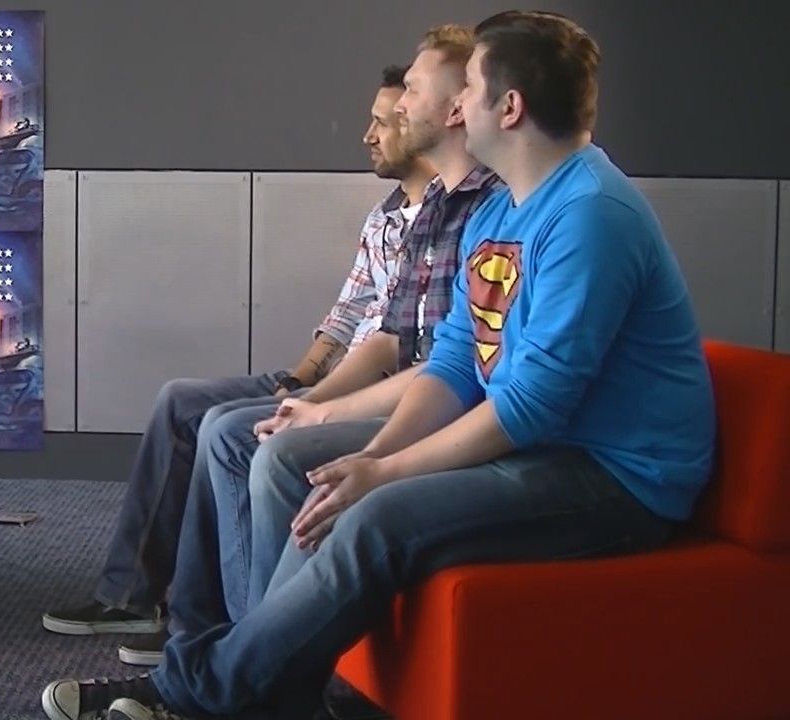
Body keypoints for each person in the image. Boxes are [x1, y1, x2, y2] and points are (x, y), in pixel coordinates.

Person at [41, 11, 715, 719]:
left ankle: (192, 693)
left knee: (375, 516)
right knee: (329, 481)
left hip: (616, 477)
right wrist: (374, 456)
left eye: (469, 87)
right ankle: (257, 692)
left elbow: (531, 406)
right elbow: (455, 364)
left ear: (509, 107)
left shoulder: (590, 214)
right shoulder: (502, 212)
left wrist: (386, 473)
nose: (458, 104)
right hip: (543, 446)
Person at [116, 26, 504, 671]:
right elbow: (382, 333)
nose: (380, 126)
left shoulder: (502, 208)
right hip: (387, 384)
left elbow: (456, 370)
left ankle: (246, 651)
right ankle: (209, 636)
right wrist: (306, 393)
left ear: (462, 108)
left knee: (248, 441)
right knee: (211, 418)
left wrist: (338, 423)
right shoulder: (424, 208)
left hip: (427, 403)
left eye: (409, 94)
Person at [40, 65, 436, 646]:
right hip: (334, 376)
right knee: (180, 400)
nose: (368, 136)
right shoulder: (384, 216)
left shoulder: (451, 219)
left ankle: (217, 629)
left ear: (418, 123)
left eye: (381, 122)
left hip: (377, 390)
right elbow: (348, 313)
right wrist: (297, 379)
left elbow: (402, 347)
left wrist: (315, 399)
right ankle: (130, 598)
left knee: (224, 430)